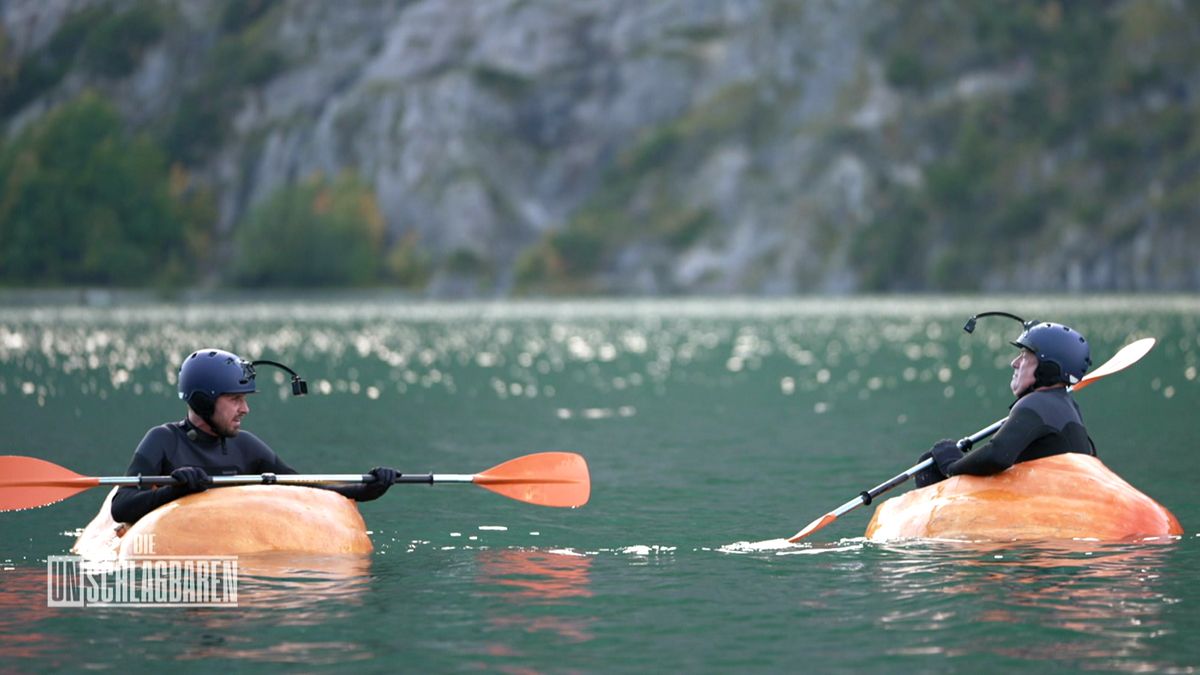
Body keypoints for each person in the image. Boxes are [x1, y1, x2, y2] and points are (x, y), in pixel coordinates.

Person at [111, 348, 398, 524]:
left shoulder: (246, 446)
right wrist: (174, 490)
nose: (245, 409)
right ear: (202, 402)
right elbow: (121, 507)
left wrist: (367, 489)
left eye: (245, 399)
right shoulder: (163, 440)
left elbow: (305, 488)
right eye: (235, 399)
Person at [914, 320, 1095, 488]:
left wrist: (951, 466)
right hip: (1062, 501)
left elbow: (997, 456)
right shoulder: (1068, 406)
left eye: (1024, 356)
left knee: (930, 467)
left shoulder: (1036, 404)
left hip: (1047, 509)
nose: (1014, 363)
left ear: (1047, 368)